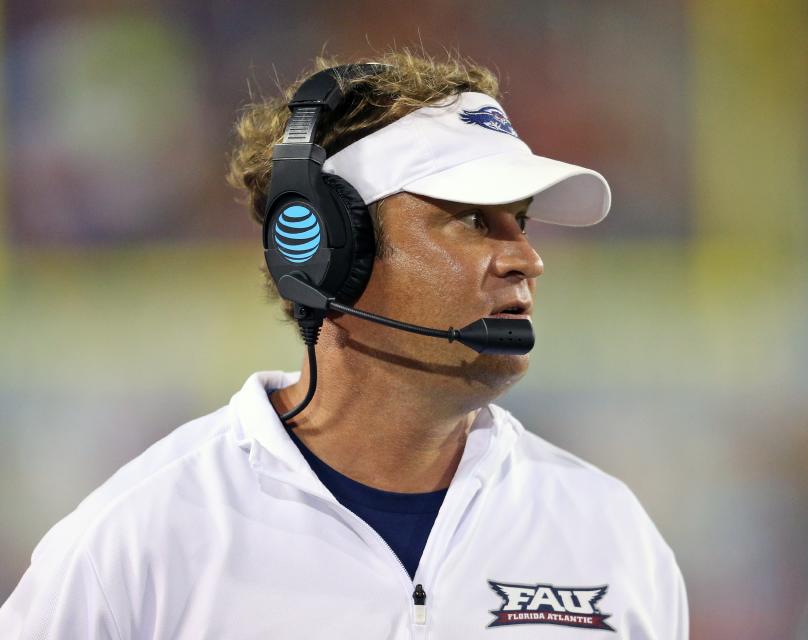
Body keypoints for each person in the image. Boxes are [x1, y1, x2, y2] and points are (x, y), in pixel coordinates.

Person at [0, 50, 688, 638]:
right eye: (474, 219)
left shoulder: (607, 530)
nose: (525, 260)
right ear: (327, 252)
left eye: (523, 223)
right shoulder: (139, 538)